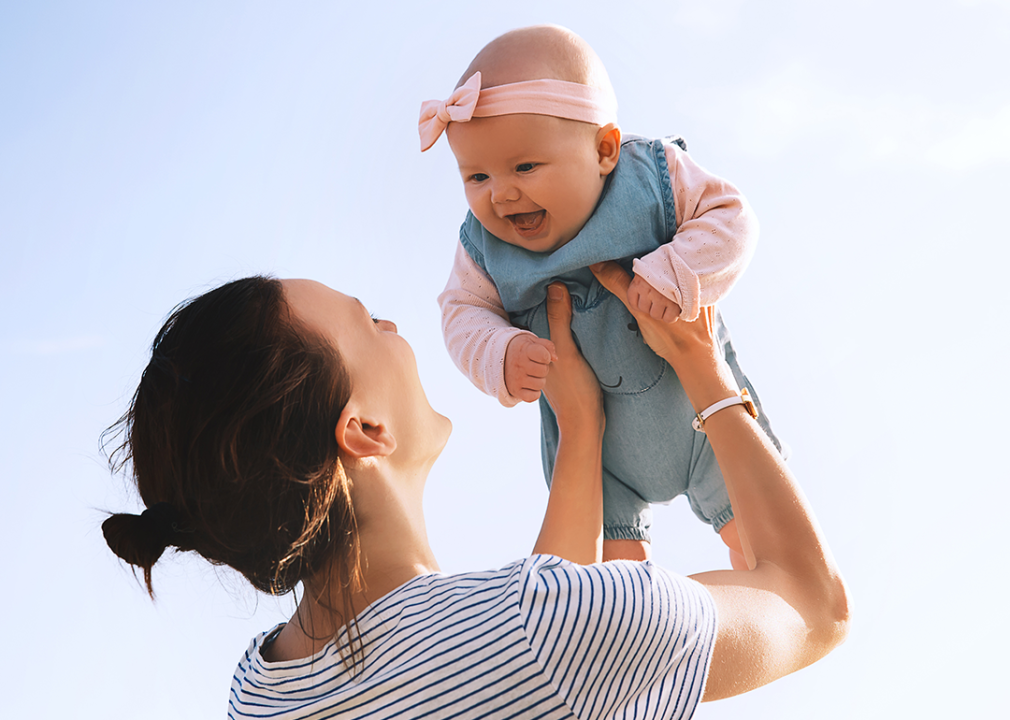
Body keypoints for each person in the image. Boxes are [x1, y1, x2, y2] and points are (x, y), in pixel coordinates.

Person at [102, 267, 849, 718]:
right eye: (368, 322)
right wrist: (703, 369)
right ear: (361, 428)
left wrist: (581, 428)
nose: (393, 325)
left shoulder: (262, 692)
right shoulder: (549, 629)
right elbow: (813, 606)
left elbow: (527, 660)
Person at [422, 25, 782, 566]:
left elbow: (731, 218)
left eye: (524, 166)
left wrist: (677, 271)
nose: (501, 193)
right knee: (611, 589)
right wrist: (500, 353)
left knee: (764, 548)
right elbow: (461, 312)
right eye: (476, 176)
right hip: (601, 457)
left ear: (604, 150)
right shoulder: (482, 250)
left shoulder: (651, 177)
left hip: (703, 414)